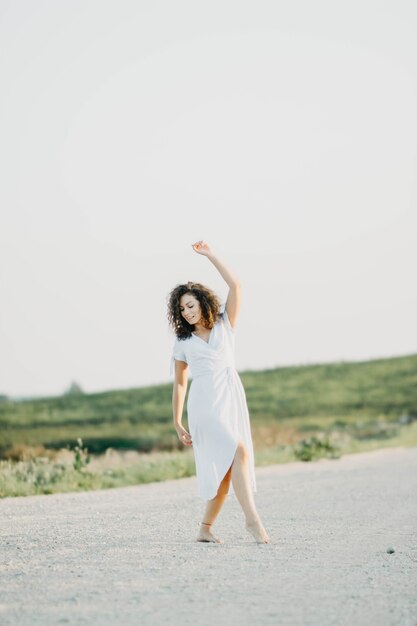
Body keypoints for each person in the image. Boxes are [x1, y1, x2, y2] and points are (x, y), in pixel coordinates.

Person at [167, 240, 270, 544]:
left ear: (202, 301)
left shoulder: (226, 324)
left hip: (229, 396)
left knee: (226, 473)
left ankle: (205, 529)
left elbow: (236, 285)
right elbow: (180, 383)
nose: (186, 312)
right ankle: (253, 522)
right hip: (204, 404)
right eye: (181, 309)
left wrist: (211, 256)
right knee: (237, 450)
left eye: (190, 305)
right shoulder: (183, 343)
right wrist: (176, 421)